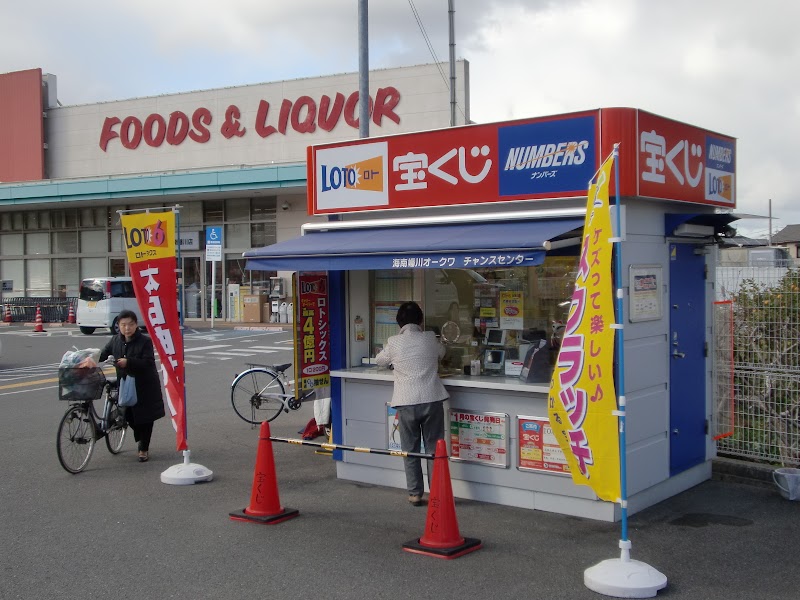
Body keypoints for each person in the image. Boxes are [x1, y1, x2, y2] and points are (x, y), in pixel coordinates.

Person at [375, 301, 449, 506]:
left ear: (399, 322)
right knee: (435, 449)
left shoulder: (394, 342)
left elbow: (379, 360)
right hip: (432, 399)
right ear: (421, 320)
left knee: (410, 449)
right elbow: (442, 353)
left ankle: (415, 493)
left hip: (406, 401)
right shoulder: (430, 338)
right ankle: (437, 491)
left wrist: (393, 362)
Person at [100, 310, 165, 462]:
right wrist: (89, 358)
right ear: (118, 326)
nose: (127, 328)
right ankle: (140, 438)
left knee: (146, 418)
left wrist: (129, 362)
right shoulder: (115, 340)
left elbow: (148, 362)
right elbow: (103, 354)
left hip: (145, 385)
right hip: (126, 384)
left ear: (136, 325)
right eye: (123, 325)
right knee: (128, 415)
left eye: (130, 324)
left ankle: (143, 448)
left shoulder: (145, 341)